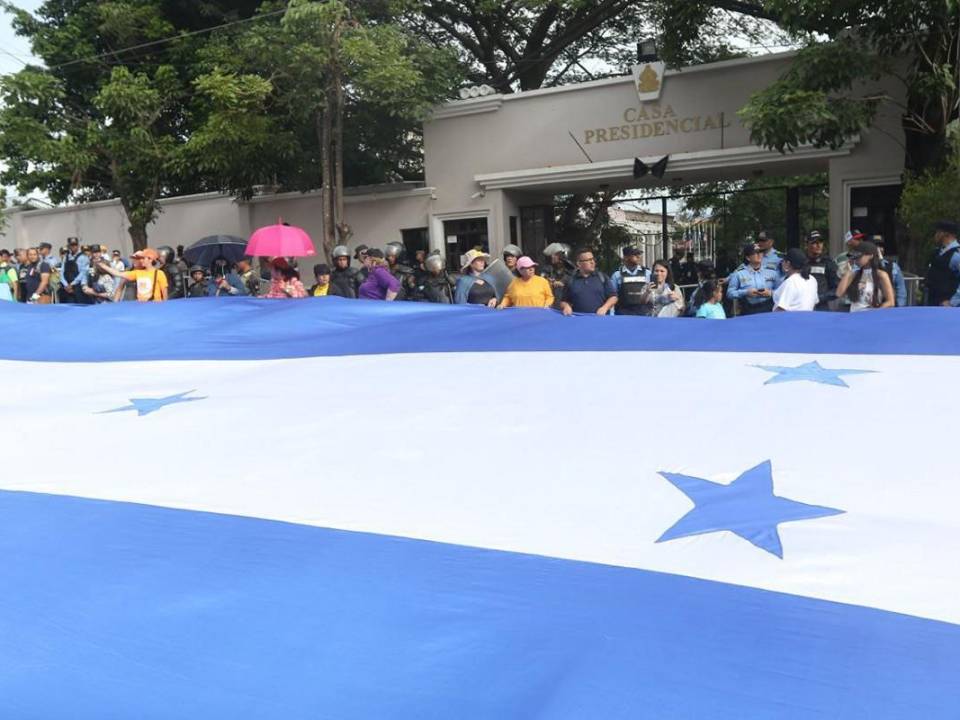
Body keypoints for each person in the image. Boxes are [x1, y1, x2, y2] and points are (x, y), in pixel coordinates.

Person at [837, 241, 895, 311]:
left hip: (871, 317)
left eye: (859, 257)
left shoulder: (881, 275)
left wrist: (875, 312)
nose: (856, 259)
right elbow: (839, 293)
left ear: (870, 256)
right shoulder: (854, 274)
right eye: (855, 257)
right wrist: (848, 271)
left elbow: (890, 302)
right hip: (854, 315)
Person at [560, 248, 618, 316]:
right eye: (588, 260)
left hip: (600, 320)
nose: (592, 262)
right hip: (578, 321)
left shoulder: (602, 277)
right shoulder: (571, 280)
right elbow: (563, 301)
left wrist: (604, 308)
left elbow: (613, 297)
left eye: (593, 259)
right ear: (579, 263)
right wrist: (566, 306)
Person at [726, 243, 778, 315]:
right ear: (748, 258)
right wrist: (746, 292)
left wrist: (771, 293)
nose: (759, 255)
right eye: (755, 253)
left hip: (768, 309)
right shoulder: (739, 273)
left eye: (760, 252)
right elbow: (730, 293)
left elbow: (781, 290)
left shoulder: (771, 271)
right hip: (749, 310)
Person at [98, 248, 168, 302]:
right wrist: (102, 265)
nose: (141, 260)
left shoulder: (159, 273)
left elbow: (165, 294)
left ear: (150, 259)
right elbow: (118, 274)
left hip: (155, 307)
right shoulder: (137, 273)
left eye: (143, 258)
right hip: (139, 306)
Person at [924, 220, 960, 307]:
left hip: (947, 308)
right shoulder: (937, 252)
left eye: (938, 232)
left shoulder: (956, 255)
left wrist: (952, 302)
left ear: (946, 234)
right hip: (933, 302)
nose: (935, 234)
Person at [610, 246, 650, 316]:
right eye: (634, 254)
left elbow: (653, 295)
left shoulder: (647, 273)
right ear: (626, 257)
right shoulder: (617, 275)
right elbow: (612, 296)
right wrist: (612, 315)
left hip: (643, 314)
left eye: (639, 254)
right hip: (623, 314)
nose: (638, 256)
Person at [804, 230, 838, 311]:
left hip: (821, 307)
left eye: (821, 242)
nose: (819, 245)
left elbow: (837, 289)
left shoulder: (828, 262)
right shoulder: (801, 261)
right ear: (807, 245)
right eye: (814, 242)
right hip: (802, 306)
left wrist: (818, 298)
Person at [872, 235, 907, 307]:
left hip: (889, 308)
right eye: (875, 246)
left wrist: (898, 308)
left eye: (881, 246)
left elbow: (901, 291)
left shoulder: (893, 267)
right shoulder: (864, 267)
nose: (878, 249)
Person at [541, 242, 574, 310]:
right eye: (552, 254)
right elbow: (541, 285)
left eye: (556, 254)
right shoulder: (547, 270)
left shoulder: (572, 271)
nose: (552, 256)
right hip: (551, 307)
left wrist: (564, 283)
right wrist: (549, 283)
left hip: (567, 308)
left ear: (563, 256)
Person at [59, 237, 90, 304]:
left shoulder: (84, 257)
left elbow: (83, 273)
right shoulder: (66, 257)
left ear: (78, 245)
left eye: (75, 244)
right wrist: (66, 285)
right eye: (72, 245)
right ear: (69, 246)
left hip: (77, 287)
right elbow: (62, 272)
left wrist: (72, 284)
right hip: (66, 288)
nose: (73, 246)